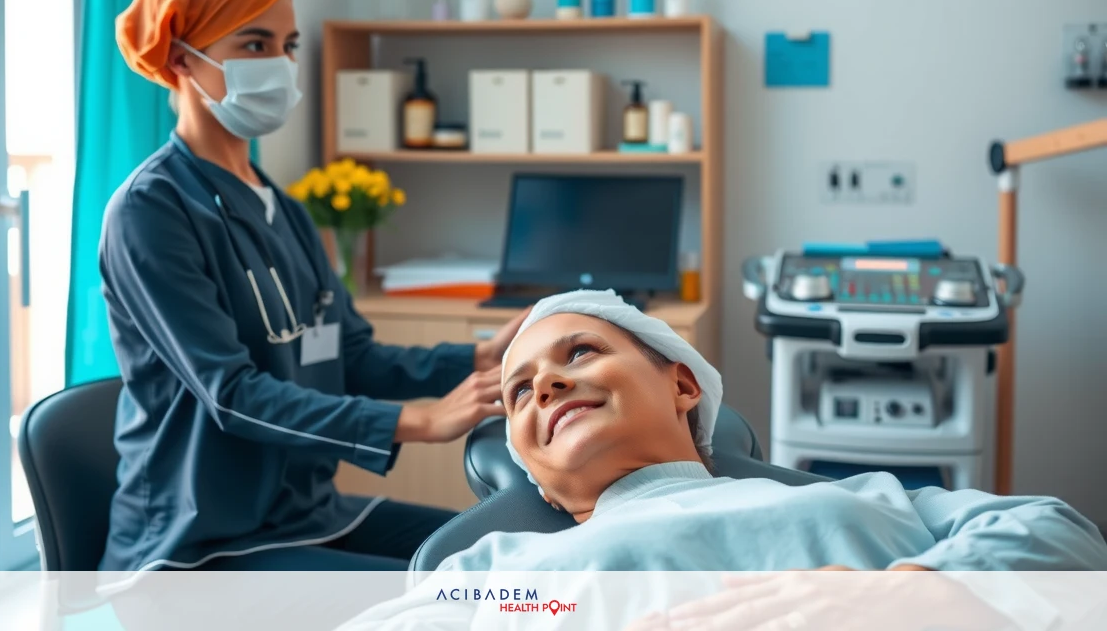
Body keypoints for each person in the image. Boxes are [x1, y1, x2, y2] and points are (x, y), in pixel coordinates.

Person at [97, 0, 526, 573]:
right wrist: (416, 420)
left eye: (288, 44)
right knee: (461, 601)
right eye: (253, 44)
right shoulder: (150, 211)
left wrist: (477, 358)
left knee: (515, 563)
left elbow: (349, 356)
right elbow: (233, 395)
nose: (280, 64)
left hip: (307, 514)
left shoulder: (287, 211)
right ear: (180, 58)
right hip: (200, 545)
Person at [340, 289, 1107, 628]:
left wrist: (917, 594)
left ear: (680, 382)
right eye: (519, 392)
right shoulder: (502, 574)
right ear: (529, 464)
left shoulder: (865, 501)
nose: (546, 382)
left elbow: (1059, 531)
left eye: (581, 351)